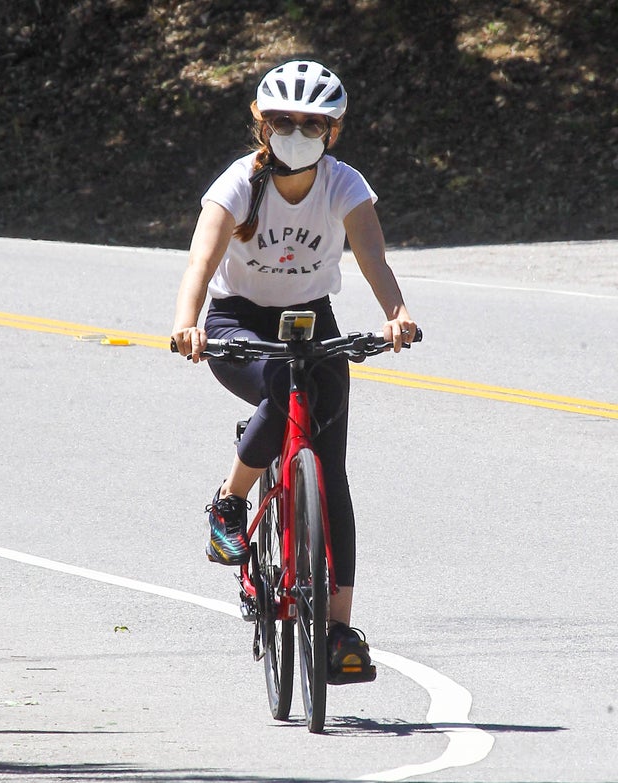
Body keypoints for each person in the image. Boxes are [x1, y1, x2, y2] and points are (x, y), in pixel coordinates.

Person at [171, 60, 417, 684]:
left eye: (312, 123)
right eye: (284, 120)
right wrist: (188, 321)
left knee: (331, 470)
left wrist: (398, 314)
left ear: (333, 131)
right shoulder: (237, 185)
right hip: (237, 323)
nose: (297, 131)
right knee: (282, 388)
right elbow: (200, 262)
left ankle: (338, 629)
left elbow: (375, 263)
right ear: (262, 122)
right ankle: (229, 503)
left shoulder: (345, 186)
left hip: (313, 319)